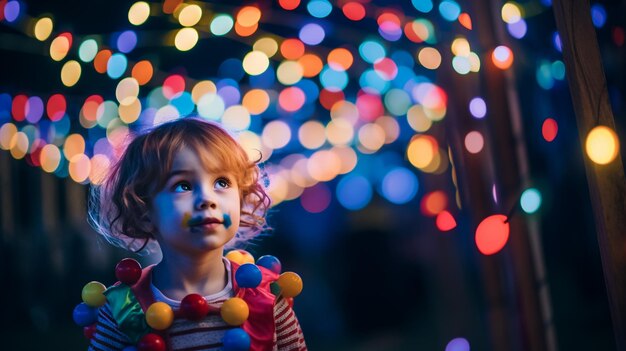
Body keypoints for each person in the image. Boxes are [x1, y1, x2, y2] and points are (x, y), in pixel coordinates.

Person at [84, 117, 306, 351]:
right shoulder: (125, 309)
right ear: (144, 213)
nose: (207, 199)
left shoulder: (267, 299)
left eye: (221, 182)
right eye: (183, 186)